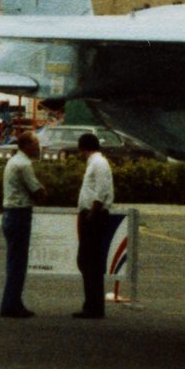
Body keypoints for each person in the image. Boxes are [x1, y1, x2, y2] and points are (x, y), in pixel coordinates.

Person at [73, 131, 117, 318]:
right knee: (87, 260)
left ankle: (94, 306)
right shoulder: (96, 163)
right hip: (91, 215)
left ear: (84, 148)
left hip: (94, 216)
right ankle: (91, 304)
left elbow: (101, 190)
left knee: (89, 260)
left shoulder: (98, 163)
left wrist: (92, 212)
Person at [0, 133, 42, 318]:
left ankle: (12, 301)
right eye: (36, 143)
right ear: (26, 145)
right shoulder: (24, 164)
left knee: (13, 261)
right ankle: (11, 304)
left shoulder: (13, 161)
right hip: (19, 214)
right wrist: (43, 191)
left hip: (9, 213)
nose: (38, 147)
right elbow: (37, 190)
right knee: (18, 262)